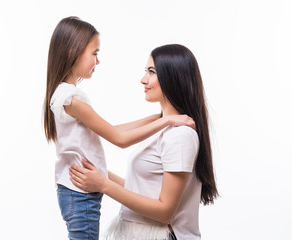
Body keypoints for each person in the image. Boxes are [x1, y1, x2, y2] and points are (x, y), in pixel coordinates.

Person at [43, 17, 195, 240]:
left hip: (76, 194)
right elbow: (119, 139)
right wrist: (165, 121)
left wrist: (157, 118)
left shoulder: (65, 95)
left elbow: (110, 129)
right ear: (72, 52)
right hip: (80, 195)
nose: (98, 61)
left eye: (151, 72)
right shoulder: (71, 99)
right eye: (94, 53)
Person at [70, 44, 218, 240]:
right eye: (145, 71)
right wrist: (101, 174)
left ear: (173, 77)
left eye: (151, 72)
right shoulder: (165, 129)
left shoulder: (180, 136)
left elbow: (165, 211)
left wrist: (104, 185)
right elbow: (142, 190)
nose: (143, 79)